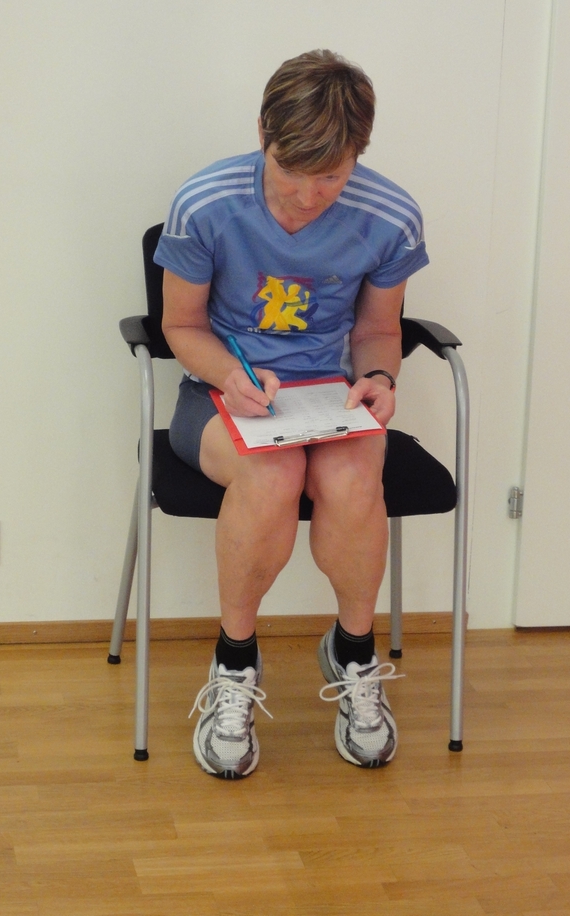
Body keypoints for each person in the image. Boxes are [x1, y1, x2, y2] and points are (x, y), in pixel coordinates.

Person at [154, 49, 429, 778]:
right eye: (290, 172)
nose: (308, 197)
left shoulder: (390, 215)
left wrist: (378, 375)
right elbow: (181, 326)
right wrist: (231, 375)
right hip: (220, 392)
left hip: (328, 395)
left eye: (331, 177)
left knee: (351, 481)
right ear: (263, 135)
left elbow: (378, 330)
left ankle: (353, 653)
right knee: (271, 476)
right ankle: (235, 663)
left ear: (359, 154)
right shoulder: (205, 203)